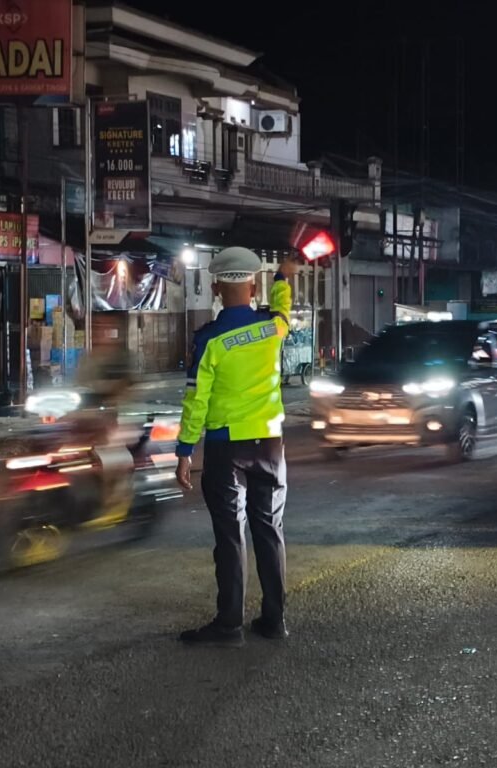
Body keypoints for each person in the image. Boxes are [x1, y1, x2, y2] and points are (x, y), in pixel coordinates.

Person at [175, 247, 298, 647]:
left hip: (226, 448)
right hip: (270, 446)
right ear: (254, 286)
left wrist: (184, 451)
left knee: (231, 536)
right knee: (269, 530)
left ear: (215, 289)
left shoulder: (209, 340)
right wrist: (283, 278)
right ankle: (274, 620)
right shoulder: (272, 328)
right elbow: (283, 310)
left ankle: (229, 625)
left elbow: (196, 400)